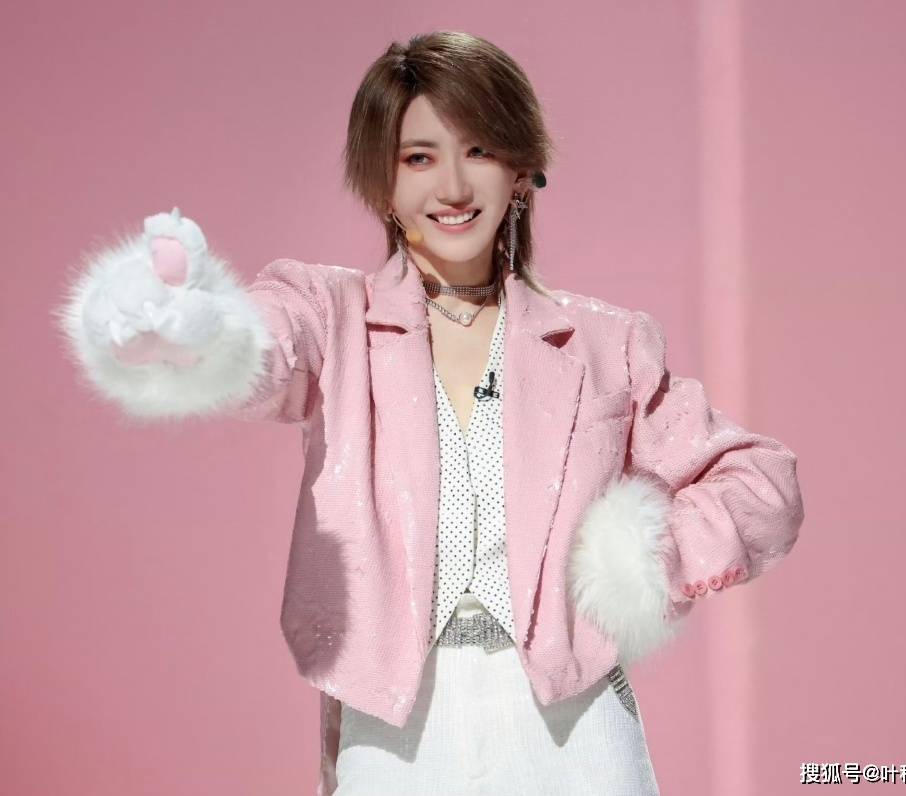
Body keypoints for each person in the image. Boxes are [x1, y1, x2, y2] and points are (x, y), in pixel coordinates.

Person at [53, 30, 804, 796]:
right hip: (398, 729)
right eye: (418, 158)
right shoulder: (331, 316)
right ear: (382, 182)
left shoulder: (607, 344)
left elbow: (762, 482)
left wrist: (645, 555)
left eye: (478, 150)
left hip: (575, 727)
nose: (451, 186)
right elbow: (262, 343)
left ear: (519, 171)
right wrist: (195, 331)